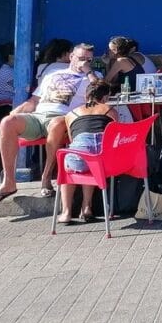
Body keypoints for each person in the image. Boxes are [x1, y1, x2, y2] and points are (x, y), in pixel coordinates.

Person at [0, 42, 97, 205]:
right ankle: (9, 182)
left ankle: (46, 177)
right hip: (39, 116)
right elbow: (34, 100)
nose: (84, 62)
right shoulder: (53, 75)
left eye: (89, 59)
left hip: (65, 118)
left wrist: (88, 71)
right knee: (7, 122)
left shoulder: (93, 76)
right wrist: (16, 112)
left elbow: (99, 93)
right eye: (81, 58)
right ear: (71, 56)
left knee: (57, 123)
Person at [56, 80, 117, 224]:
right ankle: (87, 207)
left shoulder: (71, 114)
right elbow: (114, 134)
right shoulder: (109, 110)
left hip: (80, 157)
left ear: (86, 96)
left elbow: (72, 139)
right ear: (105, 97)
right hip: (103, 161)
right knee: (92, 163)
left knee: (70, 167)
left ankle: (66, 212)